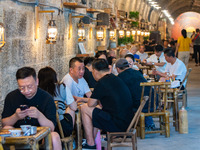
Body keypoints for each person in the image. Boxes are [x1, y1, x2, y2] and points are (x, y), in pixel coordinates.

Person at [77, 59, 133, 149]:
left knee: (84, 108)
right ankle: (93, 141)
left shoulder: (102, 82)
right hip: (126, 121)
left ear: (95, 71)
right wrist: (83, 99)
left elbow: (91, 104)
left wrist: (83, 101)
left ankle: (90, 143)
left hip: (117, 124)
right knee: (97, 109)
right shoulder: (113, 78)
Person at [1, 67, 62, 150]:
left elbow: (51, 127)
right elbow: (4, 123)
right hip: (18, 139)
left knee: (54, 136)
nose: (26, 91)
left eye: (30, 86)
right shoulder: (11, 97)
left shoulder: (47, 98)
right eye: (22, 88)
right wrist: (15, 117)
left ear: (37, 81)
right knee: (6, 129)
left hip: (41, 139)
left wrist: (39, 115)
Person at [116, 58, 156, 130]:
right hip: (154, 101)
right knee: (141, 98)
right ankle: (149, 124)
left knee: (125, 103)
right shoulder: (137, 72)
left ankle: (126, 126)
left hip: (140, 105)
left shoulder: (120, 77)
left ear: (118, 69)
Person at [38, 66, 77, 137]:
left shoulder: (37, 91)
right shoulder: (61, 87)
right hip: (61, 128)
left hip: (42, 128)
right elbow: (74, 107)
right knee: (71, 109)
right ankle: (69, 137)